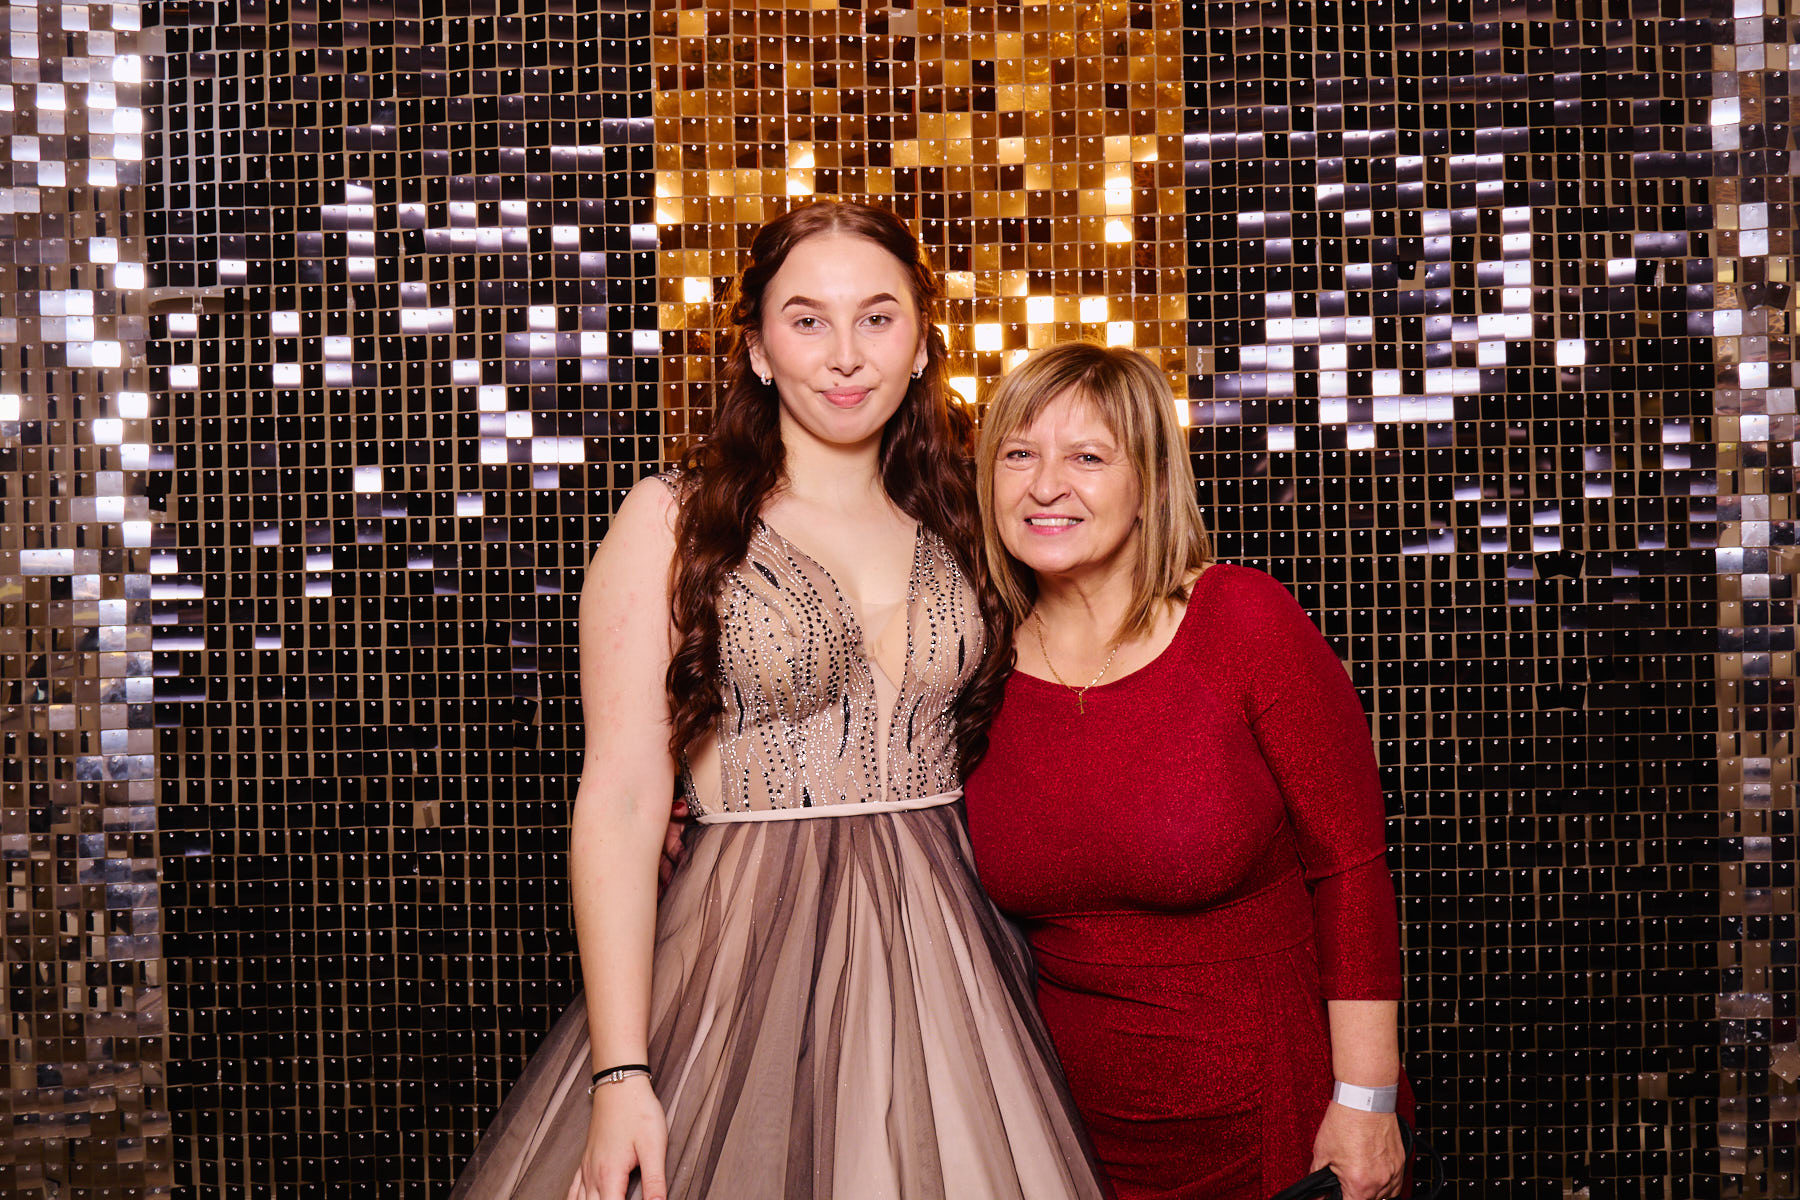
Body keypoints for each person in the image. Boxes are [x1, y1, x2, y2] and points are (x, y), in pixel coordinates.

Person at [448, 202, 1107, 1200]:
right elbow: (621, 800)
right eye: (807, 320)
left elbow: (1101, 643)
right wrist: (619, 1074)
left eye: (877, 318)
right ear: (757, 349)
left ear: (921, 343)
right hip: (744, 955)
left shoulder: (975, 518)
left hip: (956, 961)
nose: (845, 355)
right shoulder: (671, 520)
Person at [961, 341, 1409, 1200]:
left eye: (1087, 458)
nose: (1045, 486)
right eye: (1018, 455)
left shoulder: (1241, 619)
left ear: (1152, 484)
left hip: (1275, 1123)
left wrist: (1366, 1100)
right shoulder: (975, 665)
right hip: (1062, 1137)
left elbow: (1350, 869)